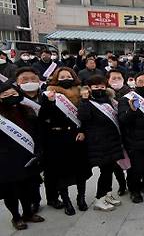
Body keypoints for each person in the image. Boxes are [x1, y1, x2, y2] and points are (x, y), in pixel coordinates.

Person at [39, 67, 91, 215]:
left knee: (81, 170)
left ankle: (81, 198)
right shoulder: (50, 93)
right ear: (56, 78)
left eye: (68, 76)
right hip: (58, 138)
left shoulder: (81, 92)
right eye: (61, 77)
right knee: (62, 172)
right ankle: (66, 200)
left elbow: (86, 116)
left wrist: (83, 131)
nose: (65, 79)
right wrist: (49, 102)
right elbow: (43, 117)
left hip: (77, 136)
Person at [0, 83, 45, 230]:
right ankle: (16, 217)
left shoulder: (27, 110)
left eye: (13, 93)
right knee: (11, 191)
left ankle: (28, 213)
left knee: (29, 188)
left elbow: (37, 132)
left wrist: (38, 150)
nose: (10, 97)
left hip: (27, 156)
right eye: (5, 95)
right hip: (6, 159)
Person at [77, 75, 126, 211]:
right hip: (98, 142)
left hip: (112, 140)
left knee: (109, 169)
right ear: (89, 88)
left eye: (102, 87)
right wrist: (85, 100)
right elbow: (83, 117)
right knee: (105, 170)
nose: (99, 89)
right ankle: (99, 198)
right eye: (96, 87)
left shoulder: (109, 100)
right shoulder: (86, 102)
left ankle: (107, 194)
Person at [118, 72, 144, 204]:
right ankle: (134, 191)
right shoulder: (126, 99)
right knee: (136, 168)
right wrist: (132, 111)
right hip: (134, 141)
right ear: (135, 83)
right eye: (140, 81)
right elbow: (123, 119)